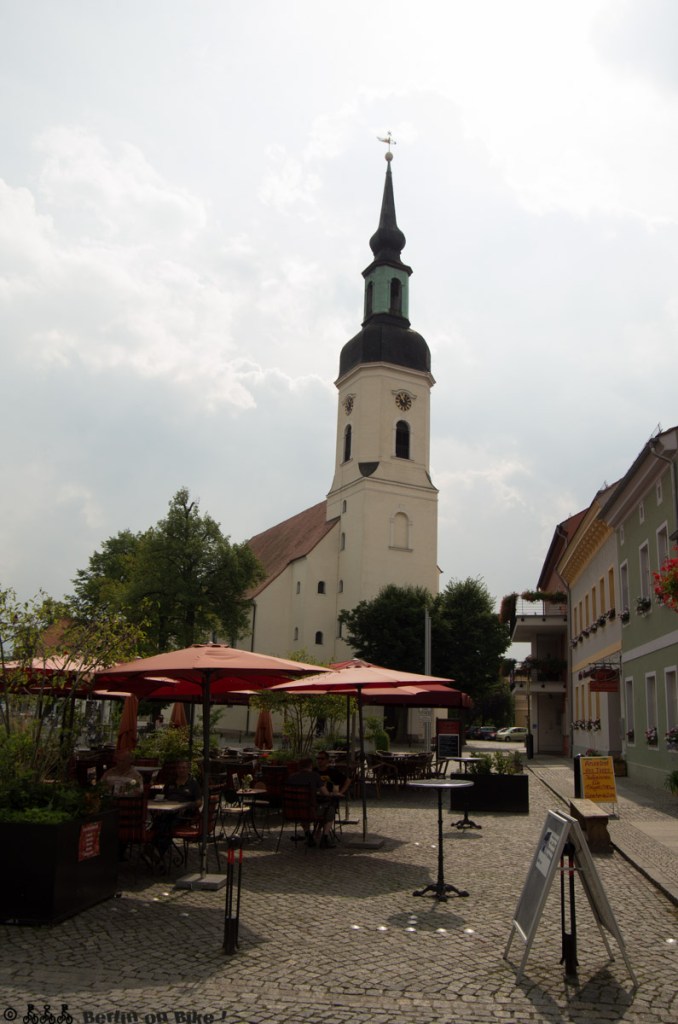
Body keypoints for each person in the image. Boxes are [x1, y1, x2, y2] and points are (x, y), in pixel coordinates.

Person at [151, 759, 202, 863]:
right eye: (179, 768)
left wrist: (186, 805)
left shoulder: (193, 784)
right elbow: (163, 796)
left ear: (188, 769)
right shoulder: (170, 782)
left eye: (184, 768)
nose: (181, 770)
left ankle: (156, 851)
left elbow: (199, 802)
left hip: (183, 814)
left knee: (167, 824)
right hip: (167, 810)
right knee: (158, 822)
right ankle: (155, 851)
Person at [286, 756, 334, 848]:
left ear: (299, 766)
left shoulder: (291, 777)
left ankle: (309, 835)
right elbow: (325, 793)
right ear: (310, 766)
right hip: (311, 811)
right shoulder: (314, 775)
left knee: (302, 809)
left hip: (293, 811)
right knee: (331, 810)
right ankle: (324, 838)